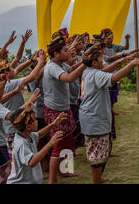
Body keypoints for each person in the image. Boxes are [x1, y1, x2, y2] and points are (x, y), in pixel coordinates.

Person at [79, 43, 139, 183]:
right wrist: (131, 64)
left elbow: (107, 69)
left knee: (97, 151)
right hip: (94, 119)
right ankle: (96, 180)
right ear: (94, 62)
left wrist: (124, 60)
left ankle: (98, 178)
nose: (102, 61)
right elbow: (113, 77)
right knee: (97, 154)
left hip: (89, 118)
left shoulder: (87, 71)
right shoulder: (96, 74)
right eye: (100, 58)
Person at [42, 36, 86, 184]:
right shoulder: (52, 67)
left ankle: (65, 171)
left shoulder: (60, 64)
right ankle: (52, 181)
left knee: (68, 142)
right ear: (56, 54)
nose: (69, 53)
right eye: (65, 50)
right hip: (55, 112)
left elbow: (72, 69)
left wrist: (83, 62)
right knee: (58, 145)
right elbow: (69, 78)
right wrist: (85, 64)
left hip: (63, 109)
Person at [0, 60, 40, 184]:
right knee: (5, 171)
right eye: (2, 89)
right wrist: (30, 102)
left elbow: (1, 99)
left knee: (4, 170)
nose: (3, 91)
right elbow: (13, 116)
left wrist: (14, 92)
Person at [6, 105, 66, 184]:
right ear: (28, 126)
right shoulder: (21, 144)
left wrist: (53, 124)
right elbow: (32, 162)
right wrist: (49, 144)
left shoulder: (27, 135)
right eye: (35, 120)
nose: (37, 121)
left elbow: (39, 135)